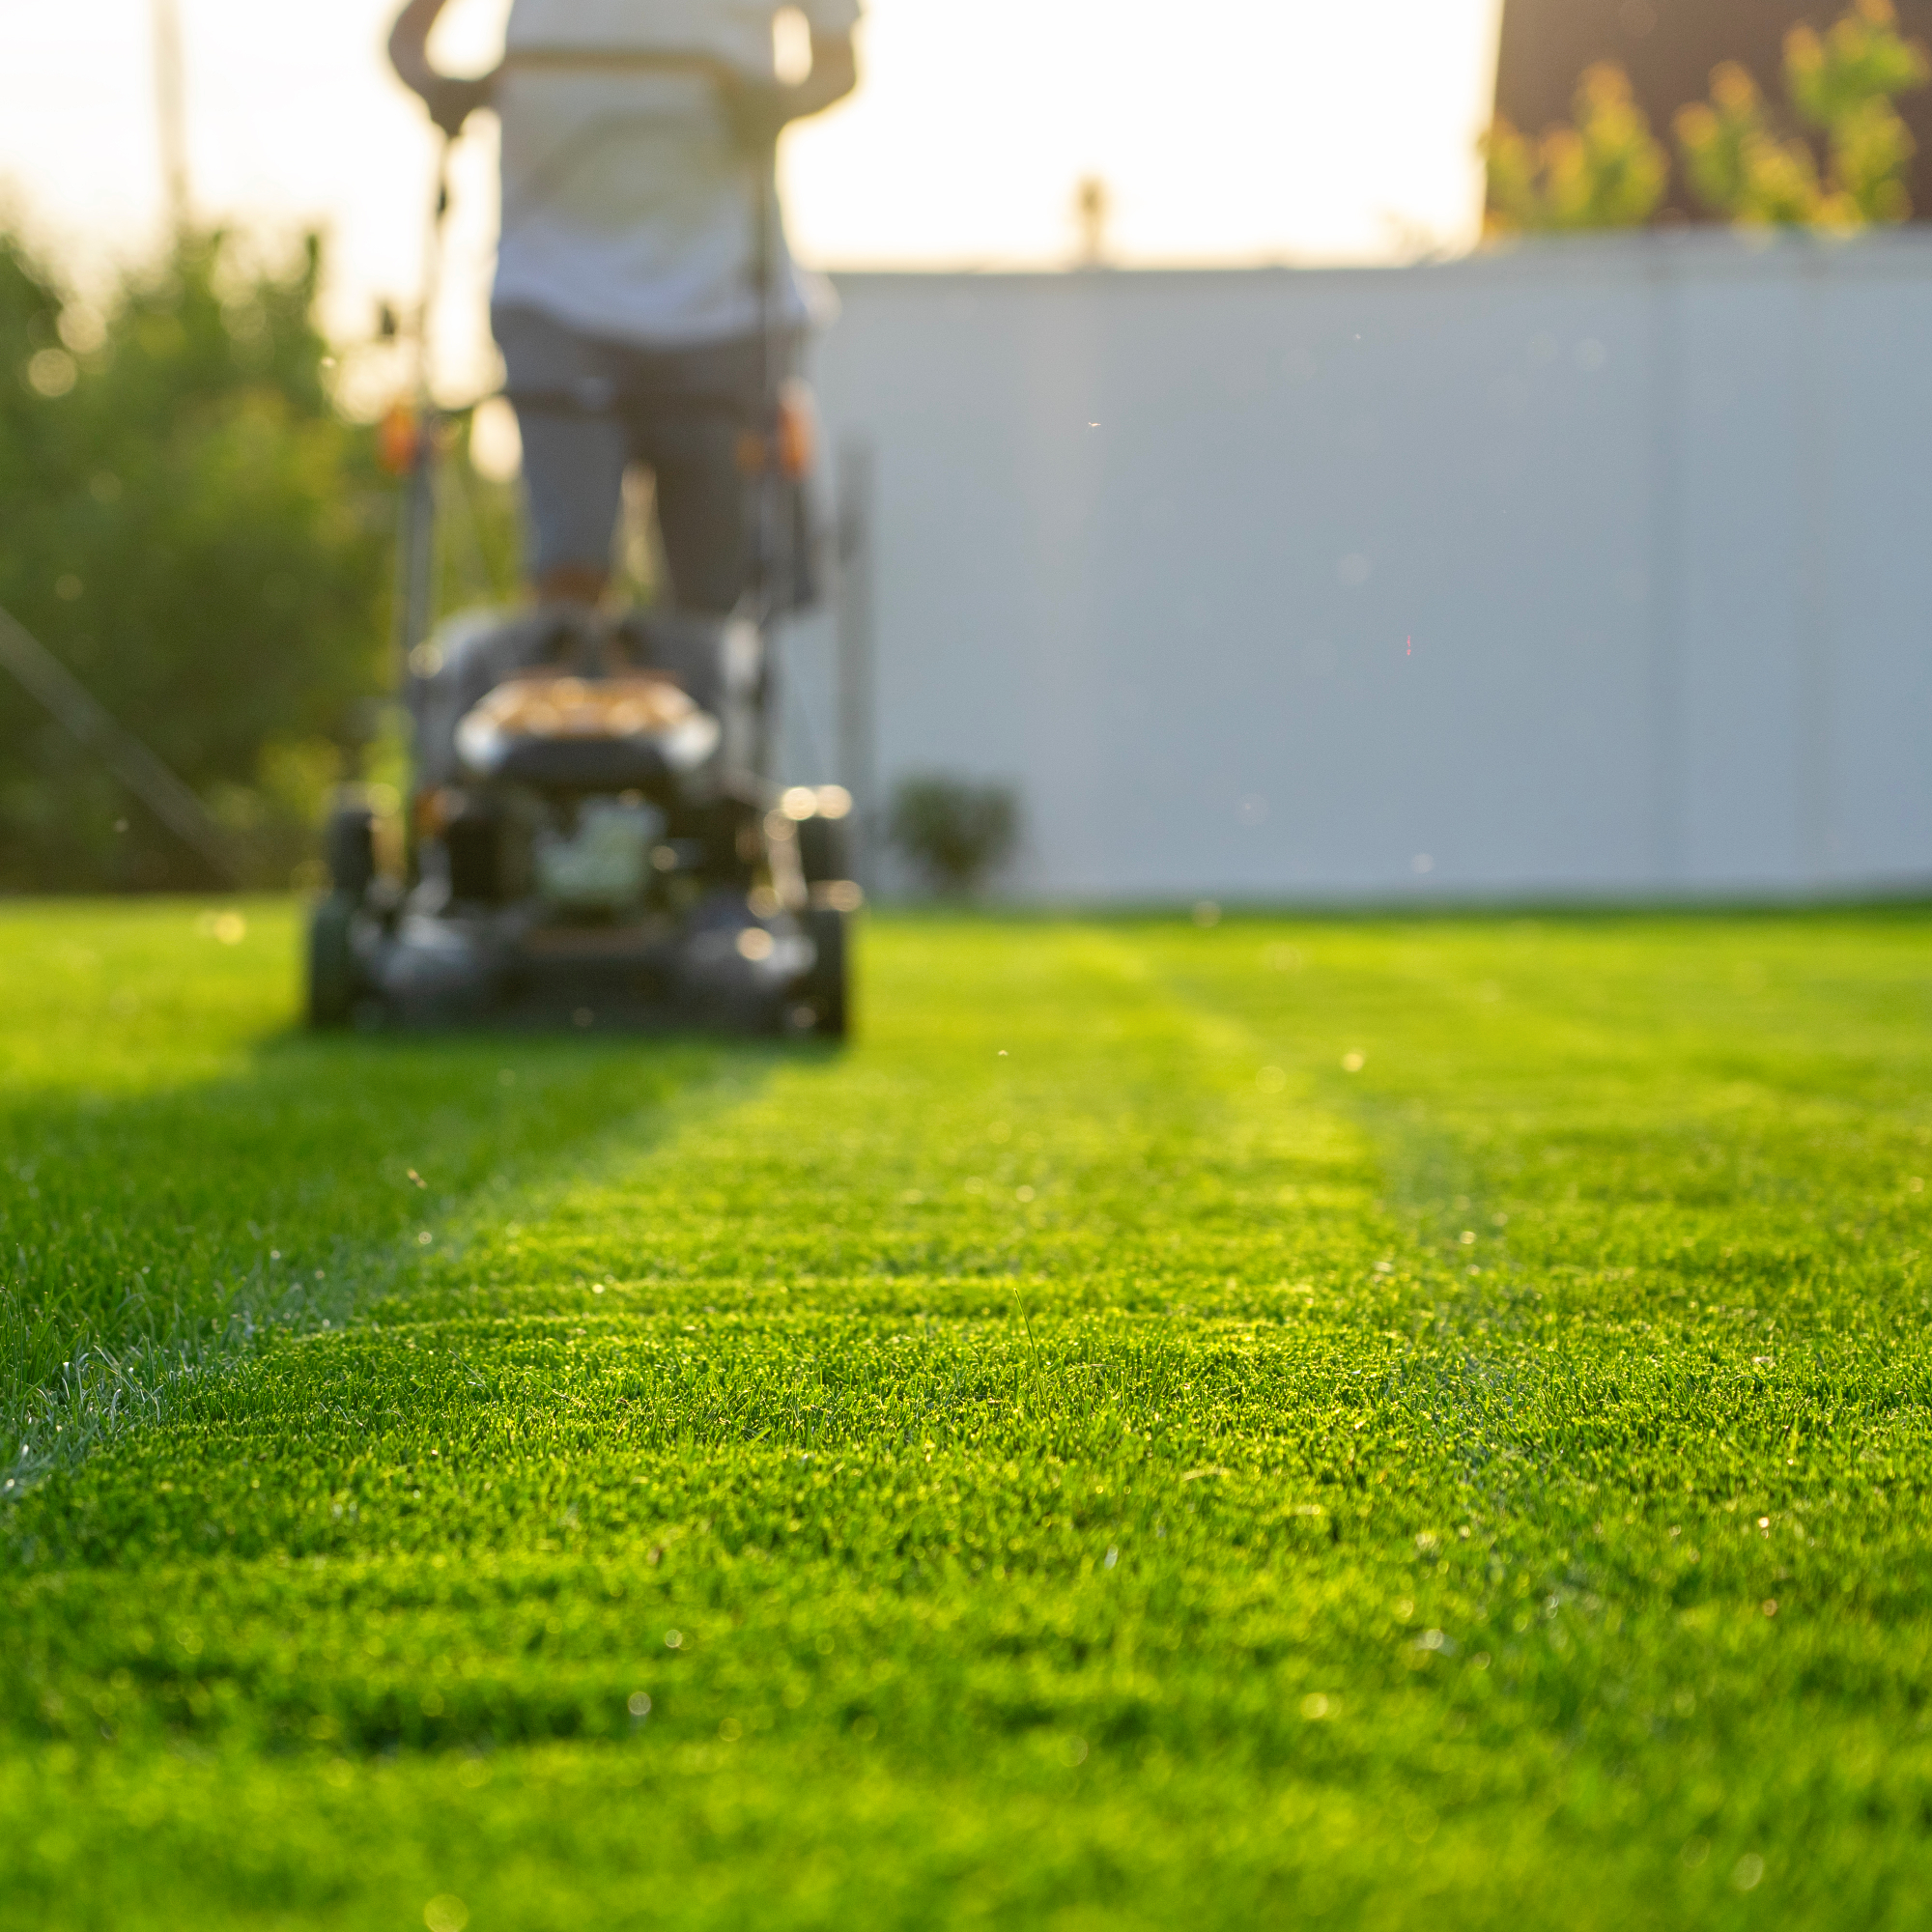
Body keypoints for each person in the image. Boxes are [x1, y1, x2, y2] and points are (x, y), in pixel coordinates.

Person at [388, 0, 861, 615]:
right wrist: (442, 87)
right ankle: (567, 688)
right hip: (553, 288)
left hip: (724, 301)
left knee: (712, 602)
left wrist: (778, 102)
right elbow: (407, 37)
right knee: (569, 578)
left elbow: (837, 62)